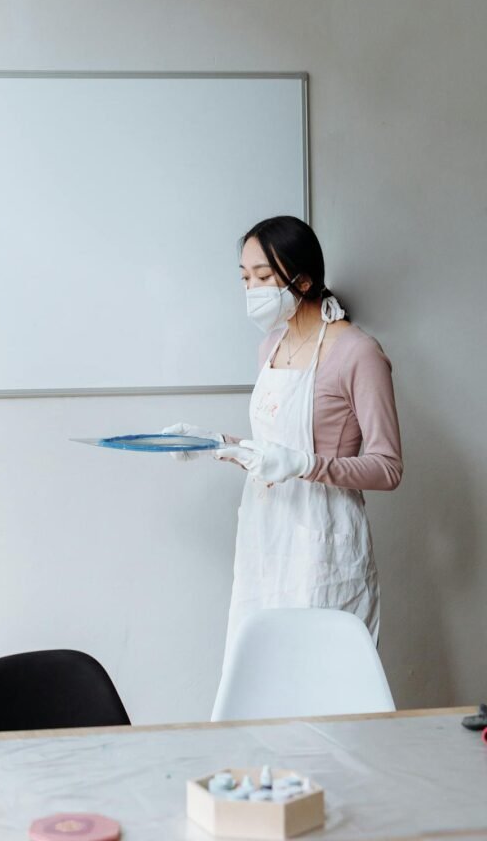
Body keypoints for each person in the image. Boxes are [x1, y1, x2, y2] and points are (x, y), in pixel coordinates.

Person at [163, 215, 402, 715]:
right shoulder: (269, 347)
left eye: (264, 277)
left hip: (323, 546)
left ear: (304, 279)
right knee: (256, 688)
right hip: (264, 538)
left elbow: (387, 467)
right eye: (245, 277)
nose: (252, 289)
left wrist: (306, 464)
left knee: (322, 699)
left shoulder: (357, 352)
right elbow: (270, 453)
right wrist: (214, 443)